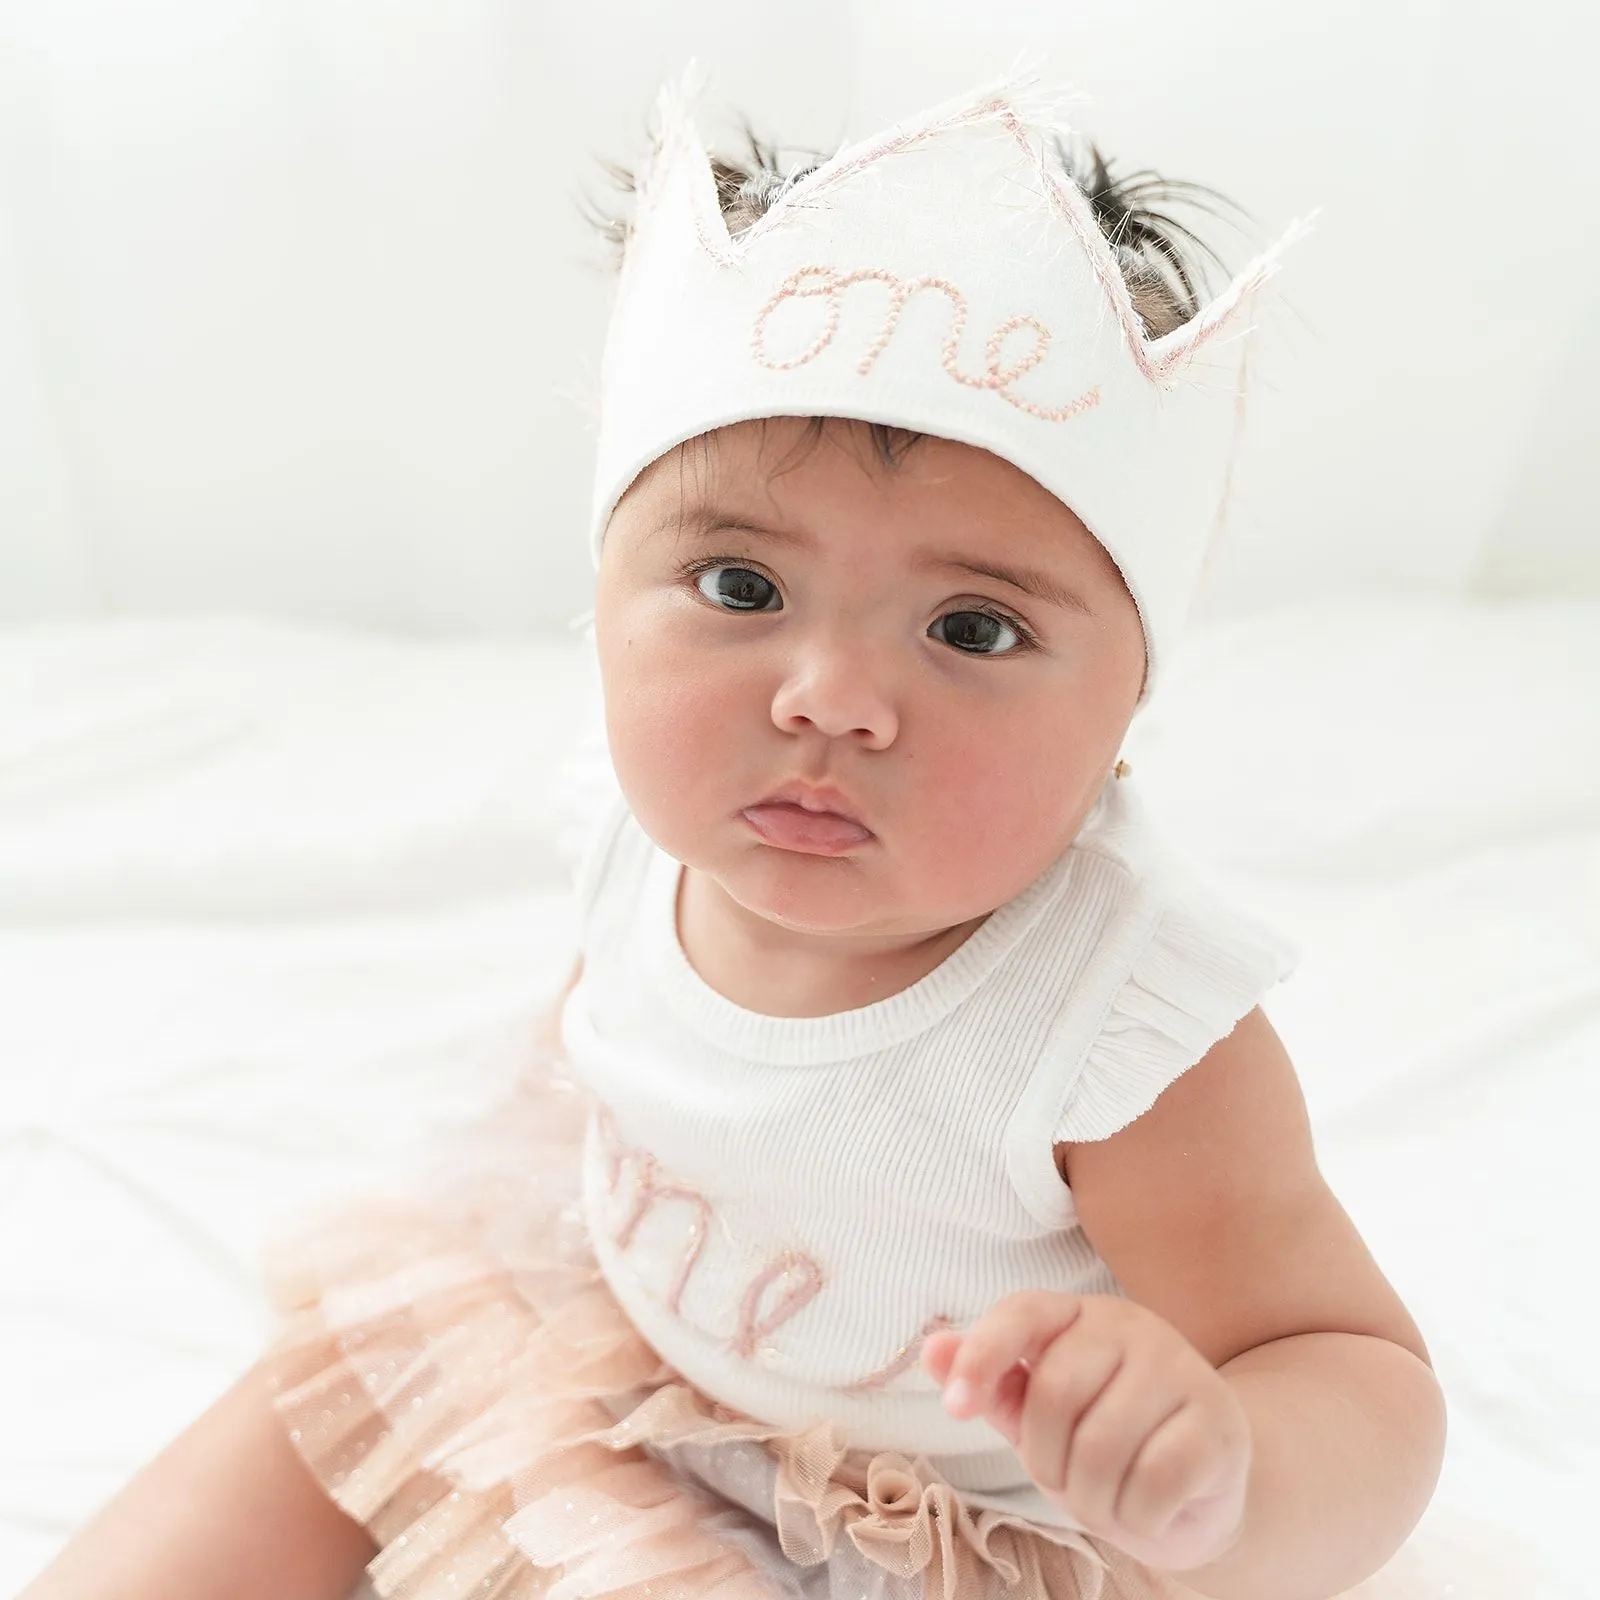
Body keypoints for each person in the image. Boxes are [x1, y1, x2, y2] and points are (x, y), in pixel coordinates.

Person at [20, 69, 1447, 1600]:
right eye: (741, 590)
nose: (830, 702)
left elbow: (1356, 1369)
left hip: (917, 1527)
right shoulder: (643, 819)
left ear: (1127, 710)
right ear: (600, 595)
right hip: (624, 1354)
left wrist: (1221, 1464)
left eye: (971, 626)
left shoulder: (1121, 1029)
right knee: (321, 1400)